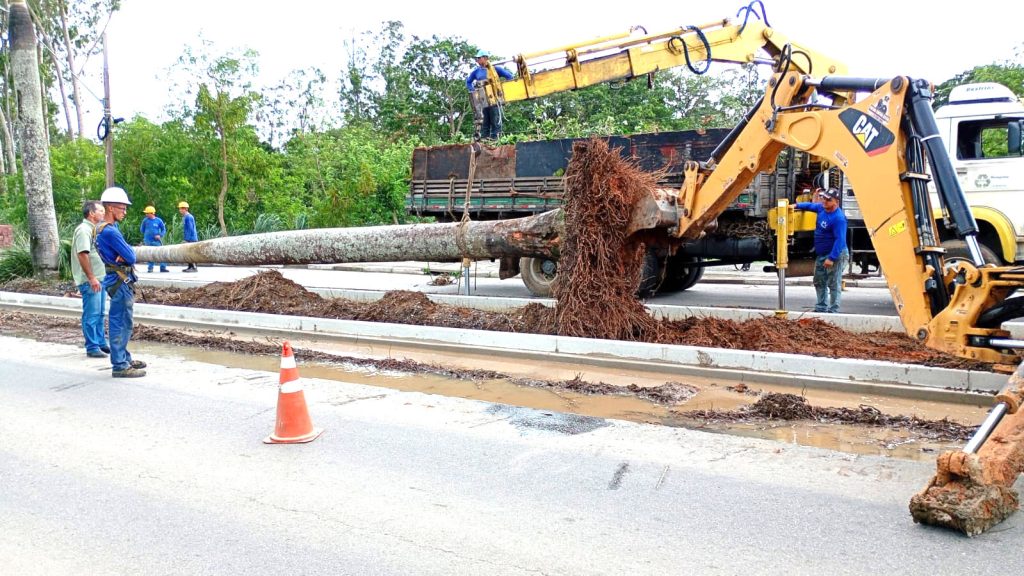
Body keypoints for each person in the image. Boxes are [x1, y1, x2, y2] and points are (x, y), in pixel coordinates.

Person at [95, 186, 147, 378]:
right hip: (120, 281)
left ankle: (124, 357)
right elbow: (131, 256)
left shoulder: (101, 229)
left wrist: (123, 255)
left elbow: (125, 254)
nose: (125, 212)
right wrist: (125, 255)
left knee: (121, 319)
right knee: (121, 321)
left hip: (114, 279)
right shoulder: (110, 232)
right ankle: (119, 365)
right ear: (110, 208)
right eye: (122, 208)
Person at [795, 187, 849, 313]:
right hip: (822, 254)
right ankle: (821, 307)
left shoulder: (838, 218)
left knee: (833, 282)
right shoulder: (821, 208)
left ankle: (834, 310)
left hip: (835, 254)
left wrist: (831, 258)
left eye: (828, 199)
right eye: (824, 198)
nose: (824, 201)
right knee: (819, 281)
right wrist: (796, 205)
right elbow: (810, 206)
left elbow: (840, 240)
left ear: (836, 201)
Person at [71, 200, 110, 358]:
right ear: (91, 213)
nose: (103, 213)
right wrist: (91, 277)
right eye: (100, 210)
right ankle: (92, 346)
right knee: (92, 313)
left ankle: (100, 342)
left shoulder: (94, 230)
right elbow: (83, 253)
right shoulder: (83, 230)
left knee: (100, 313)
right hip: (90, 280)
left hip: (100, 278)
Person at [466, 50, 514, 140]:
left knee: (495, 121)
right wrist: (473, 90)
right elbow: (468, 82)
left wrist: (503, 90)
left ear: (485, 58)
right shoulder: (476, 72)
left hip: (494, 100)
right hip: (483, 101)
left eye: (479, 58)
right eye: (476, 59)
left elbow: (509, 76)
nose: (477, 60)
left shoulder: (495, 69)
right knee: (485, 122)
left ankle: (496, 139)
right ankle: (484, 140)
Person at [139, 205, 168, 273]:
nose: (146, 214)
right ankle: (150, 268)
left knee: (161, 253)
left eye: (147, 213)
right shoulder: (145, 221)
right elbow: (142, 230)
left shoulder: (158, 220)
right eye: (146, 213)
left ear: (152, 213)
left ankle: (163, 267)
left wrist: (160, 235)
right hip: (148, 241)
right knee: (150, 254)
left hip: (156, 241)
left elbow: (163, 229)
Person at [179, 201, 198, 272]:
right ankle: (190, 266)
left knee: (192, 253)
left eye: (181, 208)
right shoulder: (185, 217)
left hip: (191, 238)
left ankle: (194, 267)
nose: (180, 210)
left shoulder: (189, 217)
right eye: (180, 208)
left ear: (185, 209)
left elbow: (190, 229)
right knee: (188, 253)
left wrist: (187, 239)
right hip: (188, 238)